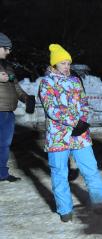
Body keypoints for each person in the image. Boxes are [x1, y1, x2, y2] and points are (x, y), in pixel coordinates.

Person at [38, 44, 102, 222]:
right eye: (62, 63)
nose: (67, 67)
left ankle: (101, 204)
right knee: (59, 173)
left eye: (68, 63)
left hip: (80, 135)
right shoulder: (46, 83)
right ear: (54, 65)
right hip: (58, 136)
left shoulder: (76, 81)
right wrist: (74, 122)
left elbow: (84, 103)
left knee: (91, 169)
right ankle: (64, 209)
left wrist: (83, 121)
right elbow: (51, 109)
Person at [0, 32, 35, 182]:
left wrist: (26, 98)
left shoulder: (7, 66)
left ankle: (2, 174)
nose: (8, 52)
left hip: (8, 111)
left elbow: (15, 86)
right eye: (6, 48)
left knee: (5, 144)